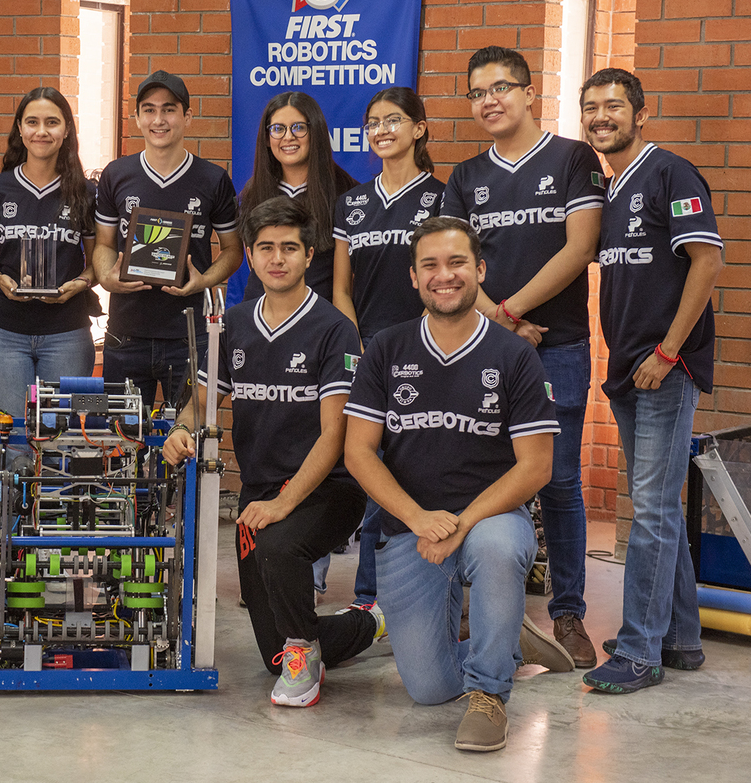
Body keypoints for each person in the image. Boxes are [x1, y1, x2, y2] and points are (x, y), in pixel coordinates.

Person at [344, 217, 574, 752]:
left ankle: (490, 694)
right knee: (429, 689)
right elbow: (358, 452)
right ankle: (508, 640)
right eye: (430, 265)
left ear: (480, 270)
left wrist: (462, 523)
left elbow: (536, 467)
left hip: (489, 520)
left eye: (457, 263)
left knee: (497, 548)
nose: (443, 276)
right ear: (413, 276)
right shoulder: (387, 348)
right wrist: (420, 519)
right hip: (412, 530)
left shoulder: (513, 355)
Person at [162, 197, 382, 708]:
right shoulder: (233, 323)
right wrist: (181, 428)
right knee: (272, 654)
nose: (276, 258)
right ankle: (370, 623)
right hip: (260, 493)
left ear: (309, 255)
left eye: (289, 248)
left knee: (280, 547)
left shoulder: (334, 328)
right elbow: (199, 403)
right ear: (251, 255)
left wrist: (284, 504)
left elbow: (335, 435)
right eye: (265, 248)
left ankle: (305, 654)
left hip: (329, 489)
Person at [441, 46, 605, 668]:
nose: (490, 100)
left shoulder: (572, 158)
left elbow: (581, 247)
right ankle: (474, 606)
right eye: (478, 92)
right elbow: (453, 261)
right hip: (481, 348)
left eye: (502, 87)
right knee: (479, 476)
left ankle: (568, 614)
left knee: (558, 482)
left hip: (558, 348)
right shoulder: (465, 176)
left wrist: (510, 311)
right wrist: (502, 321)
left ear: (530, 93)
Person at [579, 68, 723, 693]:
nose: (600, 116)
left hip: (665, 368)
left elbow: (708, 261)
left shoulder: (671, 173)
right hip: (630, 370)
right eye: (591, 107)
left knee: (654, 510)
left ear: (642, 114)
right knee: (658, 505)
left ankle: (639, 651)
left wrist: (667, 352)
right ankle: (680, 637)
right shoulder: (611, 189)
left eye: (613, 106)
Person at [331, 86, 446, 614]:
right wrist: (358, 346)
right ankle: (369, 599)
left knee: (413, 467)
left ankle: (399, 593)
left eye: (393, 120)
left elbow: (444, 279)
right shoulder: (351, 203)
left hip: (426, 347)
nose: (382, 130)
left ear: (419, 128)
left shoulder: (441, 198)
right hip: (368, 351)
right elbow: (341, 288)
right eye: (373, 122)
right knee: (372, 466)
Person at [93, 70, 242, 412]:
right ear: (137, 118)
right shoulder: (116, 174)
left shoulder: (213, 179)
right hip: (125, 334)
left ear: (187, 117)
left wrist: (204, 280)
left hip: (190, 335)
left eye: (169, 109)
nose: (158, 120)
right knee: (122, 437)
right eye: (149, 110)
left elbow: (234, 250)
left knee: (190, 437)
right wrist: (106, 278)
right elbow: (103, 244)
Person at [0, 86, 99, 419]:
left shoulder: (85, 193)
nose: (41, 131)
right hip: (5, 332)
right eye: (32, 122)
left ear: (67, 130)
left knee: (63, 434)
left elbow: (97, 264)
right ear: (20, 128)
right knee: (12, 434)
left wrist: (80, 284)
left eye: (52, 122)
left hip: (67, 332)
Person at [235, 91, 357, 301]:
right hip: (259, 311)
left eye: (299, 127)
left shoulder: (346, 192)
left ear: (315, 132)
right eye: (278, 129)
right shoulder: (253, 192)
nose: (288, 137)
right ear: (267, 138)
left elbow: (350, 278)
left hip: (319, 313)